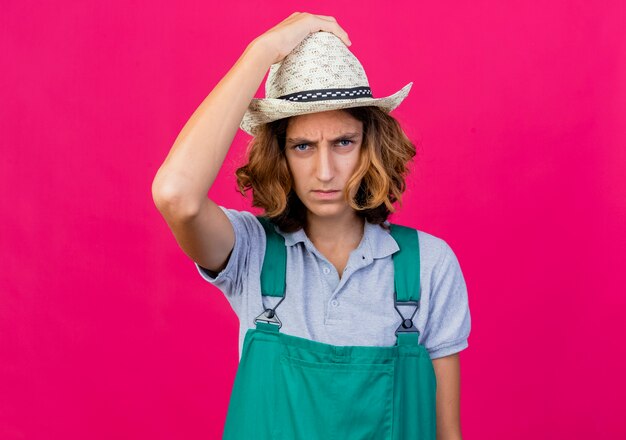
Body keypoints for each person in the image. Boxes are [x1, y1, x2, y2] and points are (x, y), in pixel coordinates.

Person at [152, 12, 471, 440]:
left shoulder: (429, 265)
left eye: (343, 142)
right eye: (303, 146)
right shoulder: (251, 252)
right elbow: (176, 195)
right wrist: (262, 50)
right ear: (279, 154)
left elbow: (447, 434)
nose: (324, 171)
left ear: (370, 145)